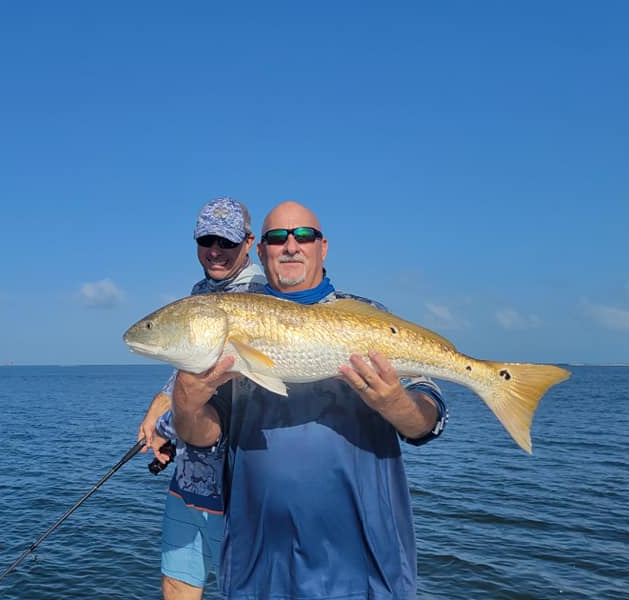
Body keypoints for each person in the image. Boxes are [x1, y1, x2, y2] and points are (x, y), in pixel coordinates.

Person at [171, 201, 448, 600]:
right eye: (276, 237)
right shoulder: (233, 323)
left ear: (323, 247)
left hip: (360, 563)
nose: (290, 245)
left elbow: (428, 418)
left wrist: (396, 405)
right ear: (260, 250)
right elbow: (205, 435)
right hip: (258, 562)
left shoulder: (370, 318)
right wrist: (186, 405)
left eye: (303, 235)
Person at [137, 197, 266, 600]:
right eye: (206, 240)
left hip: (242, 479)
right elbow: (187, 369)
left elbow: (233, 385)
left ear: (248, 243)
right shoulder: (201, 293)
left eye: (226, 242)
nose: (215, 251)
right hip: (192, 475)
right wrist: (157, 414)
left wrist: (169, 423)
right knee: (177, 580)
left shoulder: (266, 296)